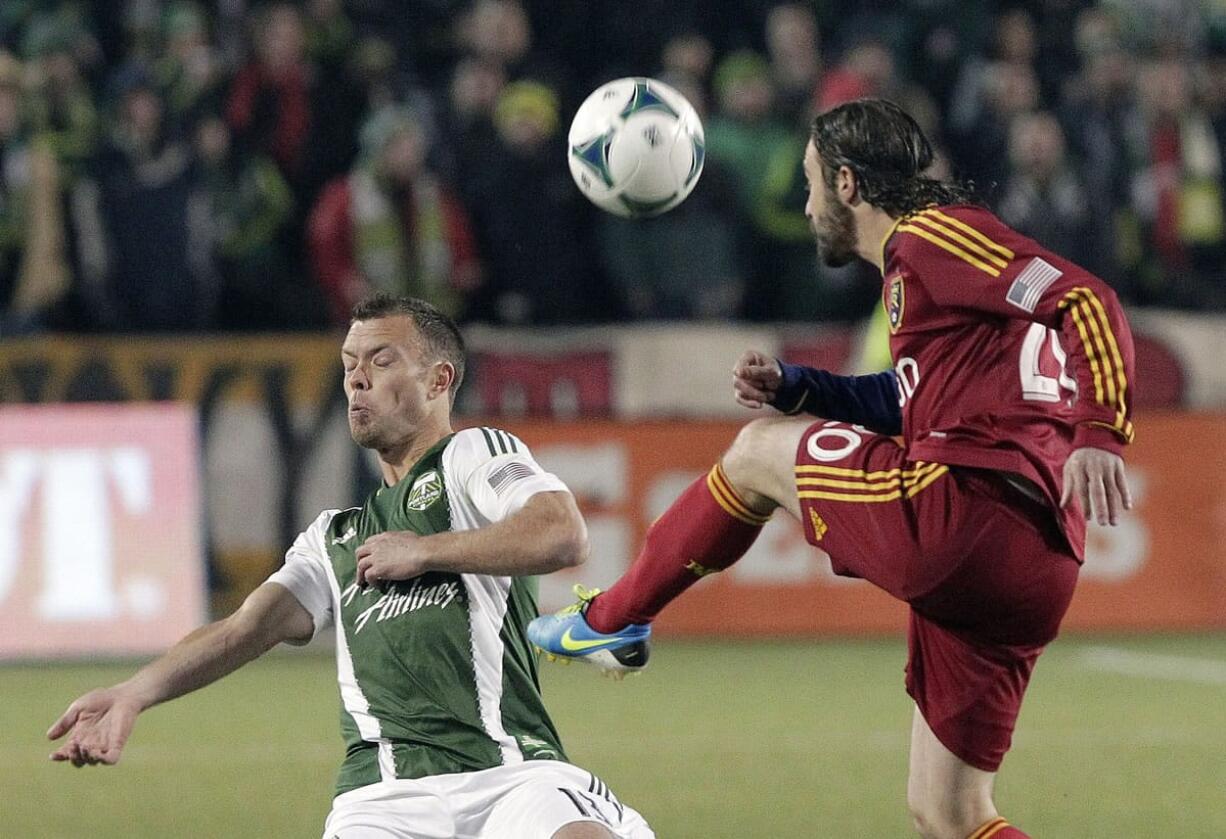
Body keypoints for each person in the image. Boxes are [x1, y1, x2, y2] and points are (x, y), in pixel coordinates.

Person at [530, 98, 1136, 839]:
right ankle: (617, 620)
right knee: (950, 812)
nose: (807, 202)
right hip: (1036, 559)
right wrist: (804, 389)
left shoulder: (933, 236)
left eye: (813, 182)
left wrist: (1100, 430)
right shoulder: (935, 271)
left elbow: (1086, 297)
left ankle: (613, 619)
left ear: (849, 184)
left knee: (756, 450)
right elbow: (911, 400)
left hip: (963, 511)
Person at [47, 294, 654, 839]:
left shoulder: (471, 458)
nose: (357, 380)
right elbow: (242, 629)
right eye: (348, 364)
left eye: (381, 361)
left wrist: (423, 550)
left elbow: (561, 534)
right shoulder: (332, 537)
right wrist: (132, 694)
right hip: (382, 798)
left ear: (440, 380)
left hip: (512, 775)